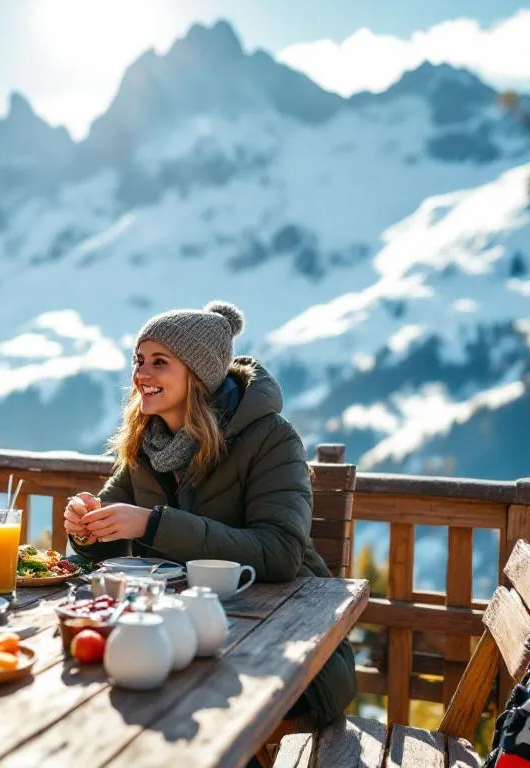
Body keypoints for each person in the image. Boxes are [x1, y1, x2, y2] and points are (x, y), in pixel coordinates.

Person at [64, 300, 356, 731]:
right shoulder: (149, 439)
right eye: (138, 361)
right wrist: (86, 526)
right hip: (176, 635)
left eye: (159, 363)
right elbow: (110, 520)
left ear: (197, 375)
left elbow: (279, 553)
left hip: (281, 645)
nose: (141, 375)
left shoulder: (271, 438)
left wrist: (152, 524)